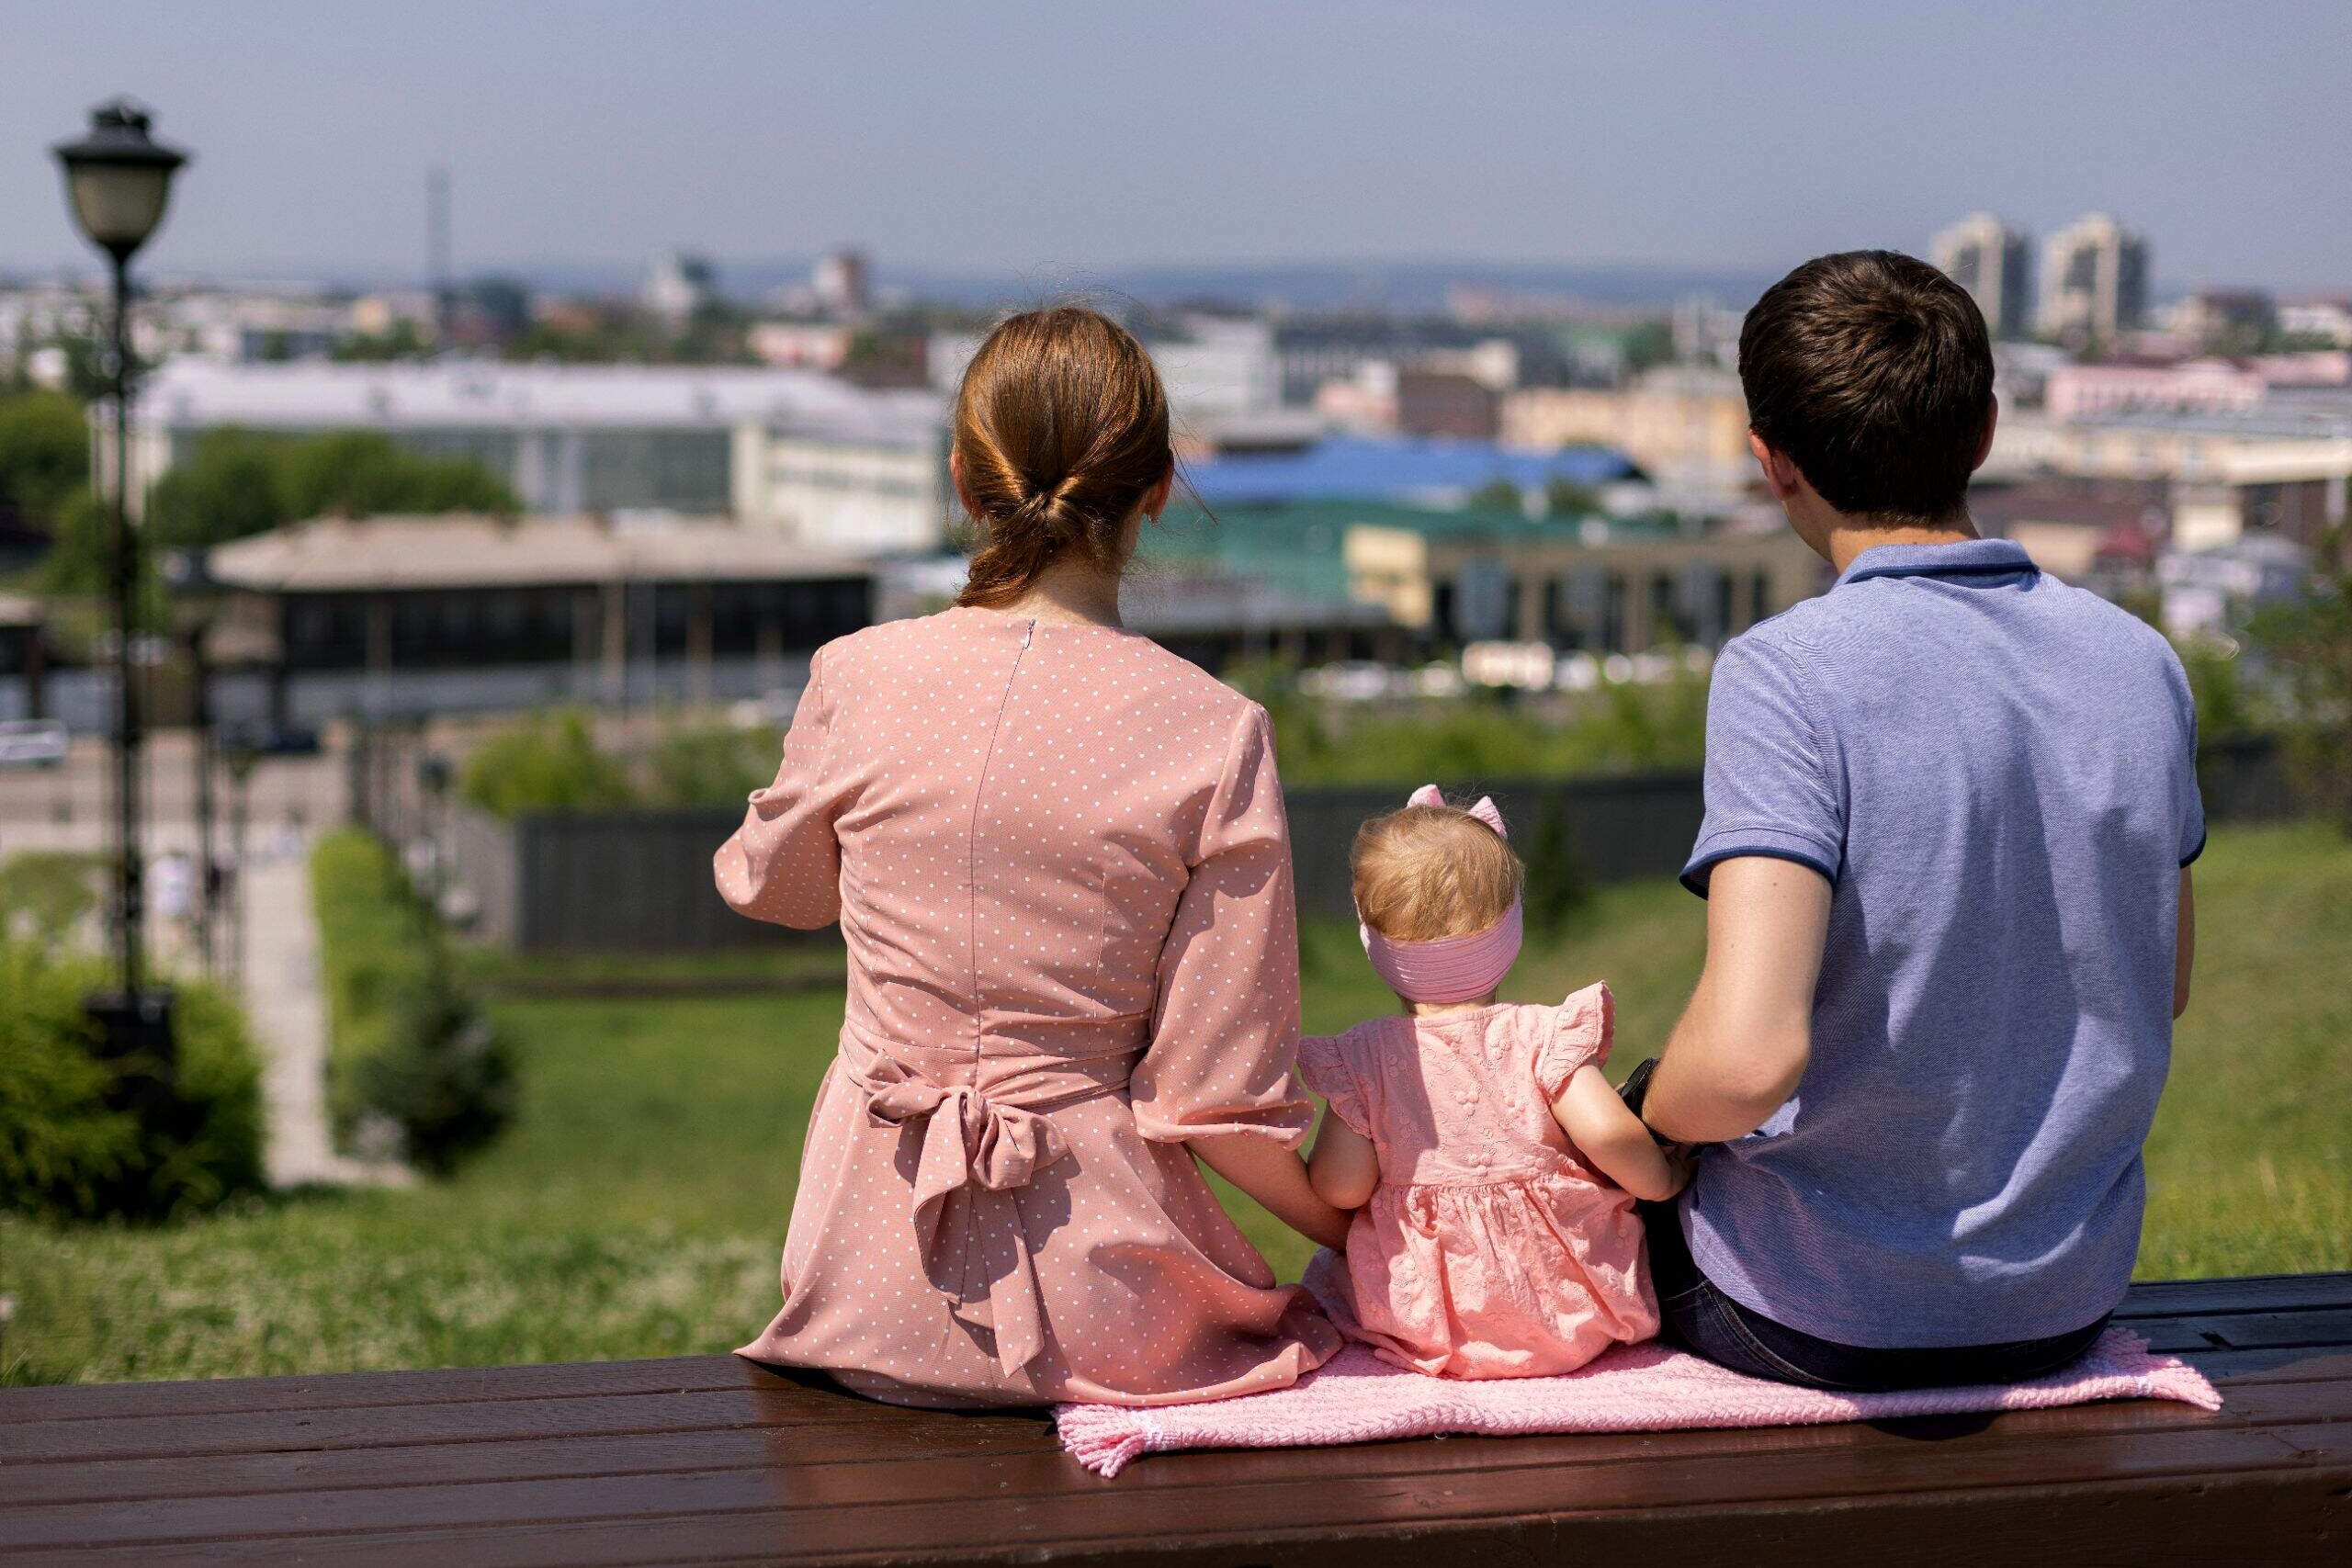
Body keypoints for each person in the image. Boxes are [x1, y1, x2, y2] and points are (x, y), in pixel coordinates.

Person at [715, 306, 1347, 1409]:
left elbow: (777, 890)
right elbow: (1212, 1094)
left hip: (865, 1288)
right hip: (1119, 1318)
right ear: (1156, 487)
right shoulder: (1213, 728)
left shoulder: (856, 675)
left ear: (964, 479)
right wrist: (1363, 1226)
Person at [1636, 251, 2204, 1391]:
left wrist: (1636, 1114)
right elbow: (2166, 979)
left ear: (1770, 462)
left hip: (1810, 1312)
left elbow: (1745, 1062)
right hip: (2065, 1298)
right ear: (1985, 429)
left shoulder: (1787, 674)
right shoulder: (2139, 663)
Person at [1297, 786, 1685, 1380]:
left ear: (1374, 943)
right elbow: (1608, 1132)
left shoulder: (1369, 1057)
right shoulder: (1540, 1034)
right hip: (1568, 1314)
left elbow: (1341, 1185)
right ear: (1509, 930)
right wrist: (1664, 1178)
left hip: (1424, 1322)